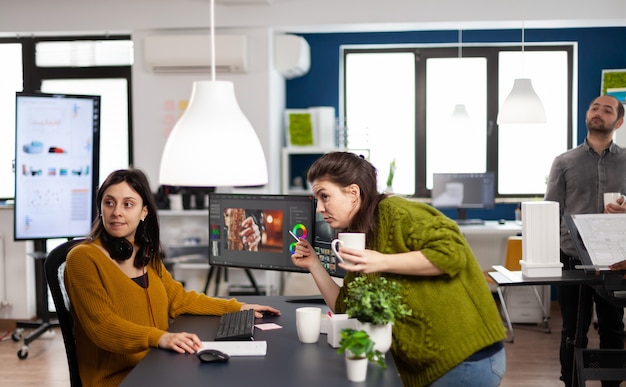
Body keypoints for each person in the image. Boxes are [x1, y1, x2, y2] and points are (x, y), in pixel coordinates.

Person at [290, 152, 507, 386]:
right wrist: (313, 264)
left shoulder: (396, 212)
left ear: (353, 192)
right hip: (433, 366)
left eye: (324, 196)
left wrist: (382, 261)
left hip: (465, 360)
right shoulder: (361, 234)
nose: (319, 208)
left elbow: (452, 253)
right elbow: (347, 307)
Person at [64, 169, 280, 386]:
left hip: (159, 364)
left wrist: (237, 307)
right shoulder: (83, 258)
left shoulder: (144, 255)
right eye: (109, 203)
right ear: (100, 208)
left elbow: (180, 300)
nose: (116, 212)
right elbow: (102, 326)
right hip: (118, 378)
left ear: (143, 212)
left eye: (128, 204)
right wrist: (160, 337)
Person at [545, 94, 626, 387]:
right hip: (573, 256)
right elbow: (551, 210)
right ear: (587, 115)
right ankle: (571, 381)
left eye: (607, 110)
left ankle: (611, 383)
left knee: (613, 328)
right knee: (573, 330)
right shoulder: (564, 161)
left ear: (618, 121)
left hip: (616, 261)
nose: (598, 112)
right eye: (594, 107)